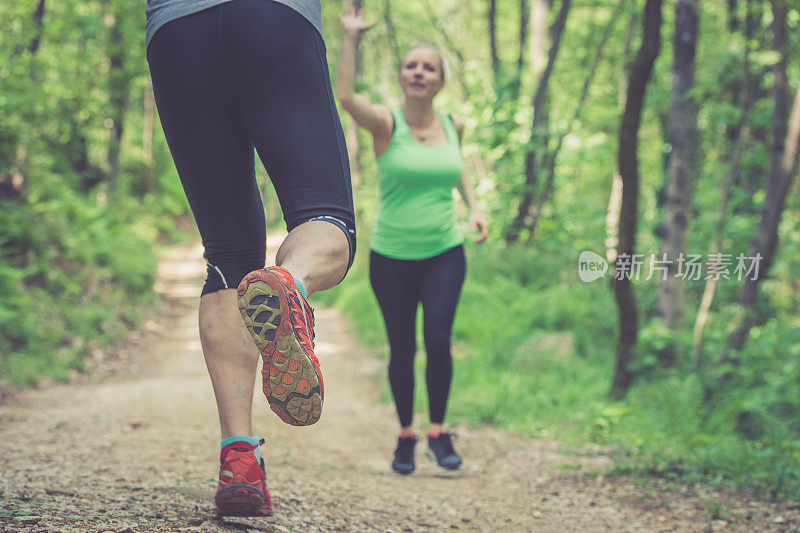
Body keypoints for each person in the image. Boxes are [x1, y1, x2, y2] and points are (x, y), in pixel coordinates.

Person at [145, 0, 356, 517]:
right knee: (326, 218)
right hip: (274, 19)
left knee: (227, 253)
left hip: (176, 31)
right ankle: (290, 281)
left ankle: (238, 458)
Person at [336, 6, 488, 475]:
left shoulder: (453, 125)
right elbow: (345, 97)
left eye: (429, 67)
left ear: (440, 81)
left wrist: (474, 205)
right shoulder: (386, 124)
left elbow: (457, 164)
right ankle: (406, 436)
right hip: (392, 256)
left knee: (438, 339)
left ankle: (439, 433)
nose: (419, 72)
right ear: (402, 77)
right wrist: (351, 39)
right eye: (411, 65)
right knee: (402, 347)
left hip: (444, 250)